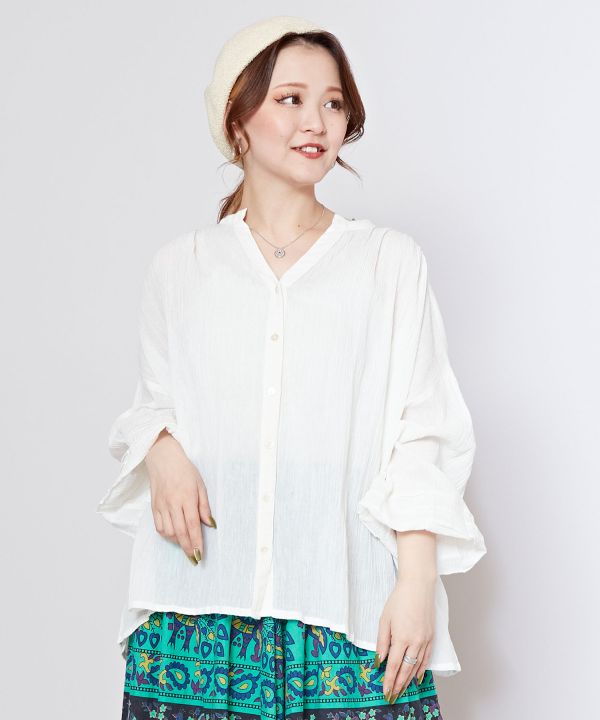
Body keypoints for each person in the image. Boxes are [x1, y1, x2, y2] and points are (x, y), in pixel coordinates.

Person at [97, 15, 487, 720]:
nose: (317, 121)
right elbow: (153, 402)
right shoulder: (179, 269)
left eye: (333, 103)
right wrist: (160, 447)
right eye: (291, 99)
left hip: (348, 604)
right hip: (195, 612)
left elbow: (423, 432)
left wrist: (416, 582)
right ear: (237, 121)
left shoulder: (387, 263)